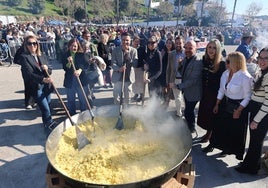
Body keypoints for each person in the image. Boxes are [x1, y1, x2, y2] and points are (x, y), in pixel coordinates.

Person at [204, 52, 253, 160]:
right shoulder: (225, 73)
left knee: (232, 130)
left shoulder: (245, 77)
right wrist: (217, 104)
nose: (225, 63)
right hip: (225, 103)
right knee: (219, 126)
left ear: (236, 63)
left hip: (238, 106)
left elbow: (247, 97)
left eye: (228, 61)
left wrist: (239, 110)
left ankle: (227, 150)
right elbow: (221, 90)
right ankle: (213, 145)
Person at [235, 47, 268, 175]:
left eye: (266, 58)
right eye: (260, 58)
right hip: (256, 109)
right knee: (254, 140)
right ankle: (249, 164)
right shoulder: (262, 72)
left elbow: (267, 103)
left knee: (256, 142)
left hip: (261, 113)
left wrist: (256, 120)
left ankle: (252, 168)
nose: (262, 61)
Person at [20, 35, 56, 132]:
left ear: (37, 44)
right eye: (29, 43)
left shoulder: (42, 55)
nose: (32, 45)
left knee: (47, 106)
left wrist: (47, 69)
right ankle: (49, 127)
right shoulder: (25, 57)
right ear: (26, 45)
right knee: (46, 109)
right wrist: (43, 79)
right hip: (36, 87)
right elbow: (29, 74)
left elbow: (50, 70)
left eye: (34, 43)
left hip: (47, 86)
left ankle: (47, 124)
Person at [197, 39, 226, 143]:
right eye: (209, 47)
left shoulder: (222, 64)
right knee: (206, 115)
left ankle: (210, 137)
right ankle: (208, 134)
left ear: (218, 50)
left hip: (215, 95)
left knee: (212, 117)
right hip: (205, 93)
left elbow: (223, 85)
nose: (211, 50)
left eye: (214, 48)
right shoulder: (204, 60)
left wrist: (218, 100)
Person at [176, 40, 202, 134]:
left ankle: (191, 129)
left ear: (196, 48)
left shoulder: (198, 61)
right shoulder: (186, 58)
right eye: (186, 48)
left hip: (193, 92)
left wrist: (180, 86)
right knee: (188, 110)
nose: (187, 50)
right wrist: (179, 65)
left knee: (188, 111)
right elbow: (183, 72)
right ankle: (190, 126)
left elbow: (193, 80)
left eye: (190, 48)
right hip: (187, 91)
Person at [62, 38, 91, 116]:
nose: (73, 48)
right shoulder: (65, 54)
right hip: (70, 80)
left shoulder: (82, 54)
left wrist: (80, 70)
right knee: (71, 100)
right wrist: (69, 63)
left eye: (75, 46)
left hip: (81, 79)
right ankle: (72, 115)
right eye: (71, 46)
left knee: (82, 99)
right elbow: (65, 68)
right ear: (69, 46)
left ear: (78, 46)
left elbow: (86, 65)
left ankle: (83, 115)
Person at [111, 32, 138, 105]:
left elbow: (135, 64)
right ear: (120, 40)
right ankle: (117, 112)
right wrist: (119, 69)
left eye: (127, 40)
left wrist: (128, 56)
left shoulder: (134, 51)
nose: (125, 42)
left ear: (130, 41)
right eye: (123, 40)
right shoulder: (115, 50)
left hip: (128, 78)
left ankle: (126, 112)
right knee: (116, 97)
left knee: (127, 98)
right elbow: (113, 63)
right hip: (118, 78)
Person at [166, 36, 185, 116]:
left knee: (185, 98)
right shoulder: (171, 54)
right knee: (178, 98)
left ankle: (186, 112)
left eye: (180, 43)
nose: (178, 45)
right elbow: (168, 69)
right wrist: (168, 81)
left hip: (185, 79)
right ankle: (179, 113)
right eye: (176, 43)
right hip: (175, 79)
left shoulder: (187, 53)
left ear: (183, 43)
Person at [160, 38, 175, 108]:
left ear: (172, 44)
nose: (168, 44)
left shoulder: (174, 52)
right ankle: (165, 100)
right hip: (163, 72)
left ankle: (167, 102)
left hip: (170, 73)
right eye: (167, 43)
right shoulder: (164, 51)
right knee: (163, 88)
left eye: (170, 43)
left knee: (169, 88)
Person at [131, 35, 147, 103]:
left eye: (138, 41)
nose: (137, 43)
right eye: (136, 41)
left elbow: (145, 57)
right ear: (133, 41)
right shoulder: (130, 49)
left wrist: (145, 64)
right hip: (133, 68)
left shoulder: (142, 48)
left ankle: (141, 95)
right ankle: (136, 94)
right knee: (134, 82)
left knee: (140, 82)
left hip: (140, 68)